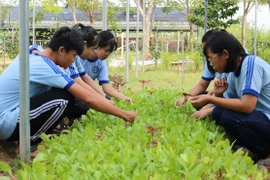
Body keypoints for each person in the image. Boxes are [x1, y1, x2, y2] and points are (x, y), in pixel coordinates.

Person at [0, 26, 138, 156]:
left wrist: (105, 100)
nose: (73, 61)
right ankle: (27, 145)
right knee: (64, 98)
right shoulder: (46, 67)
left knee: (61, 93)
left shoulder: (33, 51)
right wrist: (124, 114)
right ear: (61, 50)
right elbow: (87, 98)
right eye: (73, 56)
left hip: (6, 115)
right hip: (5, 122)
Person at [189, 31, 270, 167]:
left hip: (266, 117)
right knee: (219, 113)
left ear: (225, 54)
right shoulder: (233, 73)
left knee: (229, 117)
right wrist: (219, 95)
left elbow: (247, 106)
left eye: (210, 58)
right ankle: (252, 148)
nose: (210, 65)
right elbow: (227, 103)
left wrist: (211, 100)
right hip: (261, 118)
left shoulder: (251, 64)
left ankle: (265, 152)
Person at [80, 30, 133, 103]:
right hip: (77, 90)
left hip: (88, 92)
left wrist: (123, 98)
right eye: (106, 50)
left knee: (107, 99)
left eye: (110, 52)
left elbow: (106, 87)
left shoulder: (101, 63)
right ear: (97, 45)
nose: (107, 54)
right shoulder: (80, 57)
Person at [174, 29, 223, 107]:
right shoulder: (210, 62)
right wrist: (187, 97)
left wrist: (208, 106)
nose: (205, 53)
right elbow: (202, 85)